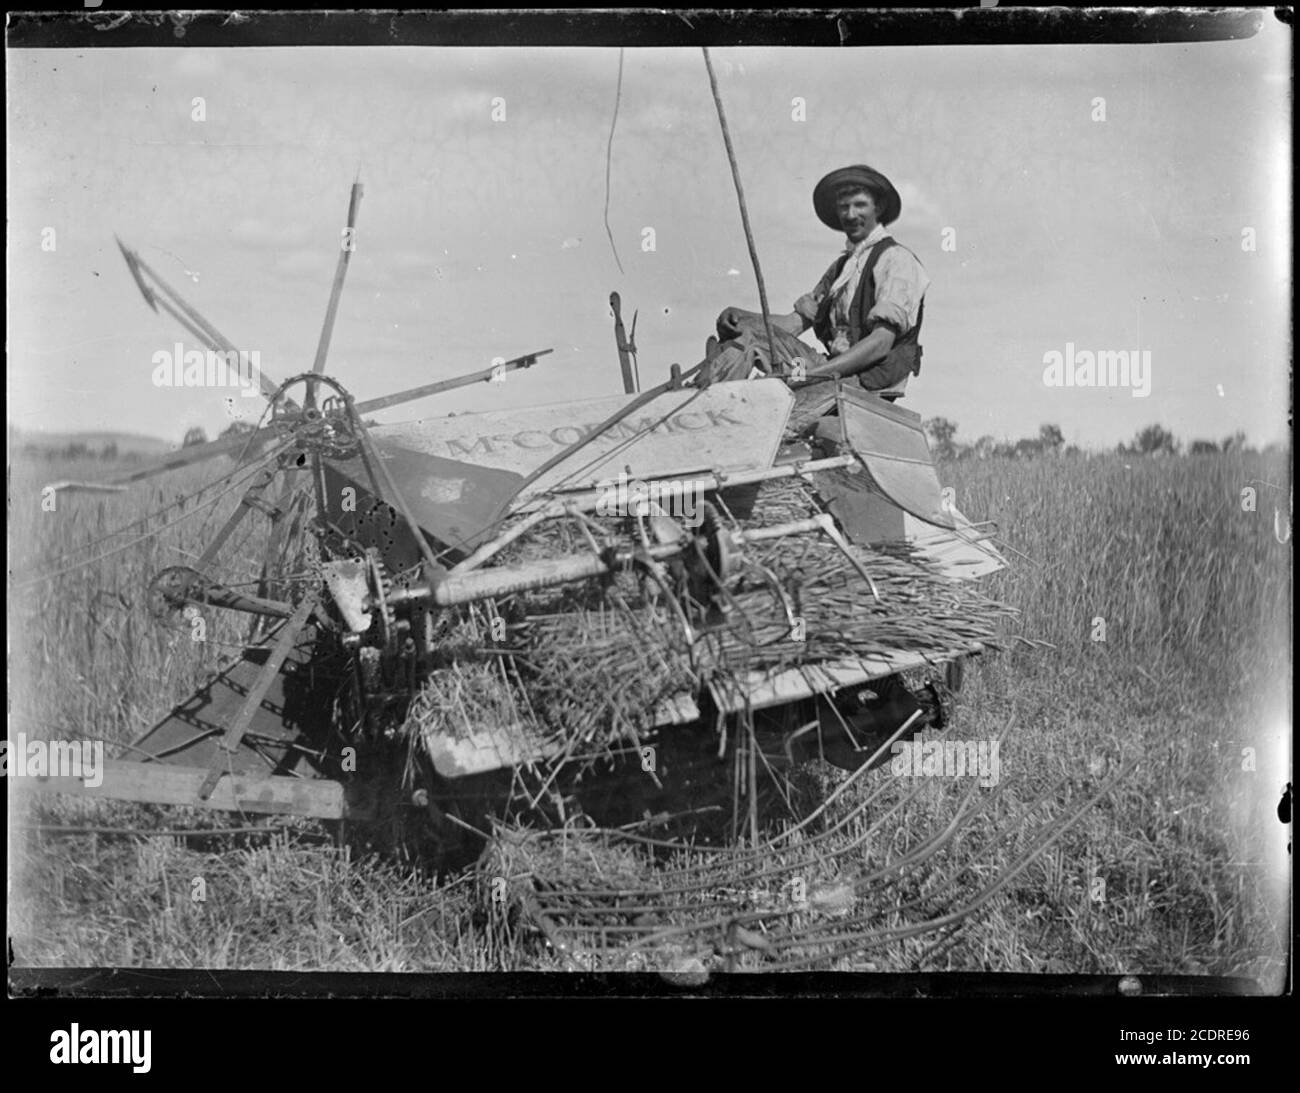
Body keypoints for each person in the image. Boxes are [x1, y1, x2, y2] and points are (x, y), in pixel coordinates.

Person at [713, 164, 930, 399]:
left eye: (859, 204)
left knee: (771, 382)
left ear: (878, 207)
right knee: (749, 338)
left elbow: (880, 343)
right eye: (843, 207)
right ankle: (705, 398)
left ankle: (712, 405)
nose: (850, 214)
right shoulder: (840, 270)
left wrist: (811, 376)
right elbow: (792, 325)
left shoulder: (897, 260)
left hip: (862, 380)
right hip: (824, 369)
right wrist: (742, 319)